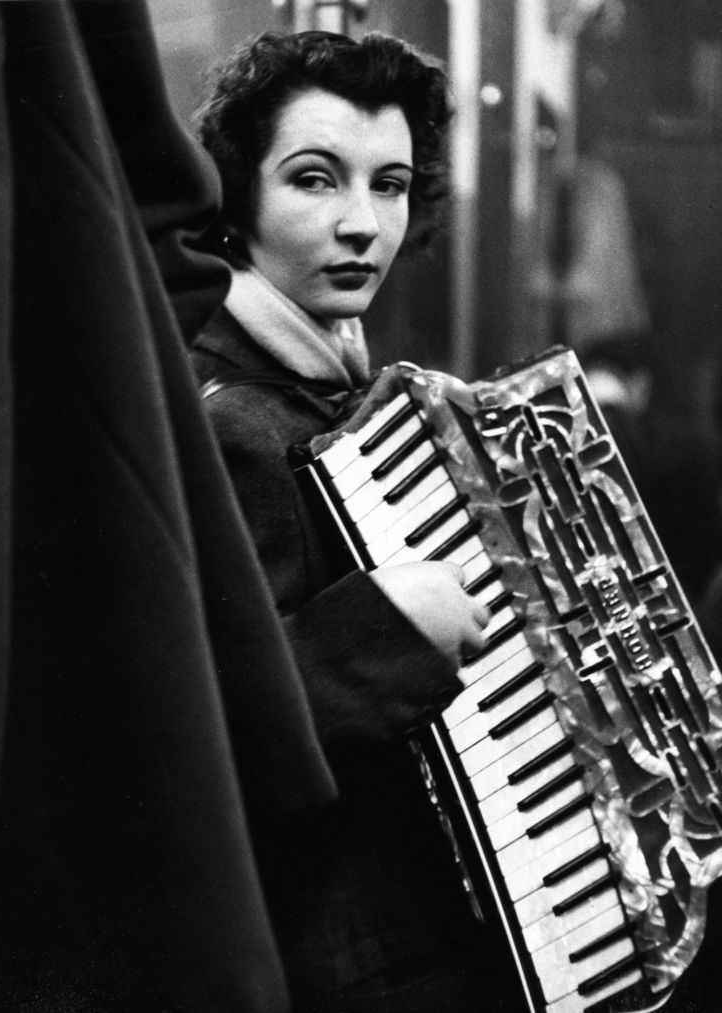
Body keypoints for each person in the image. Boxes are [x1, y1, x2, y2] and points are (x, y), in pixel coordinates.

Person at [190, 30, 504, 1013]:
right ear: (238, 198)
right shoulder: (229, 418)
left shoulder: (331, 387)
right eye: (317, 180)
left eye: (393, 183)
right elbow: (196, 737)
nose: (364, 223)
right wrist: (383, 628)